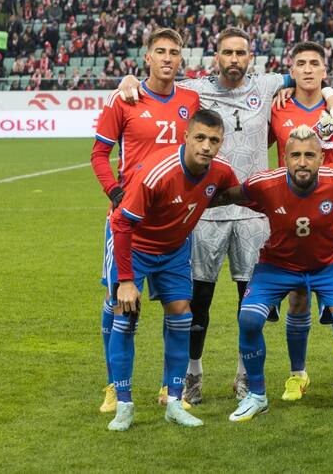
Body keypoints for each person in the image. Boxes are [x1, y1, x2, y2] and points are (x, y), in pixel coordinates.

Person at [117, 27, 333, 403]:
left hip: (255, 213)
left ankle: (244, 376)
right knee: (199, 300)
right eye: (227, 53)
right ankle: (193, 375)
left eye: (241, 53)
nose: (234, 60)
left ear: (251, 57)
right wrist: (129, 78)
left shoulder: (269, 84)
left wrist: (331, 94)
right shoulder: (195, 90)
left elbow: (309, 75)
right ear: (216, 57)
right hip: (206, 212)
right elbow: (160, 82)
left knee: (249, 301)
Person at [214, 125, 333, 422]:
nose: (302, 162)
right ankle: (256, 395)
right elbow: (225, 196)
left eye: (309, 155)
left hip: (328, 264)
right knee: (248, 318)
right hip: (277, 265)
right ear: (283, 158)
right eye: (295, 155)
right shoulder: (264, 183)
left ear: (321, 158)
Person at [106, 110, 239, 431]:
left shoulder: (220, 171)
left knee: (182, 316)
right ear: (186, 137)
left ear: (221, 143)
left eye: (214, 140)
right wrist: (125, 281)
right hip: (134, 246)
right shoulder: (158, 172)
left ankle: (175, 402)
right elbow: (121, 222)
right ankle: (123, 405)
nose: (207, 146)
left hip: (175, 249)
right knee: (125, 317)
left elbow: (235, 193)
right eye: (200, 138)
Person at [91, 27, 200, 414]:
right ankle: (113, 386)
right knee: (121, 307)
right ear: (147, 57)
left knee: (179, 310)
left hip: (174, 225)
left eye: (174, 52)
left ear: (181, 59)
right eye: (160, 51)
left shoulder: (192, 98)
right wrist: (114, 192)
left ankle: (171, 392)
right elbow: (99, 155)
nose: (168, 58)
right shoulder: (125, 98)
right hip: (130, 223)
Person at [268, 41, 333, 401]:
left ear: (325, 71)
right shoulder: (278, 108)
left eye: (315, 64)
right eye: (301, 63)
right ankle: (297, 374)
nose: (307, 69)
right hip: (290, 215)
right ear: (292, 69)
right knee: (297, 298)